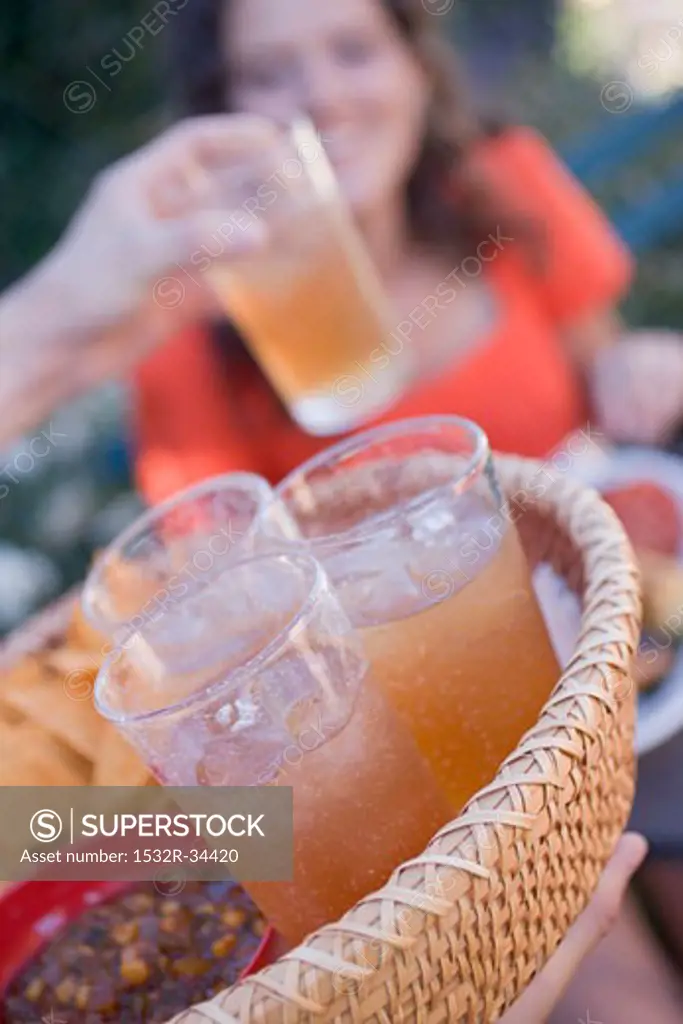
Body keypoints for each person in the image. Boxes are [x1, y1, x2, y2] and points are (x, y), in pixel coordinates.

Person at [0, 2, 682, 1018]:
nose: (320, 95)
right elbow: (134, 804)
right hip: (422, 796)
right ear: (225, 116)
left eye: (353, 49)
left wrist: (639, 366)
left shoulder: (497, 188)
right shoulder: (188, 340)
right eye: (271, 75)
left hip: (603, 666)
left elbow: (607, 380)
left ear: (416, 67)